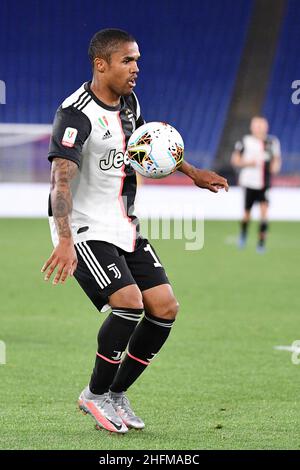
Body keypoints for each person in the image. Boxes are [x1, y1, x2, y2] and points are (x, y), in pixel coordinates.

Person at [41, 28, 228, 434]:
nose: (136, 68)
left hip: (123, 223)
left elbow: (149, 144)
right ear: (100, 64)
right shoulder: (75, 115)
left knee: (165, 307)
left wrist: (192, 172)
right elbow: (60, 181)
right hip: (84, 227)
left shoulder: (129, 103)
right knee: (128, 302)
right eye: (128, 60)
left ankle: (115, 394)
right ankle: (94, 394)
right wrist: (66, 241)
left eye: (137, 60)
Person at [231, 116, 281, 253]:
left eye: (261, 125)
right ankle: (243, 235)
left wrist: (275, 167)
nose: (259, 128)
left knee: (264, 213)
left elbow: (276, 159)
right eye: (257, 125)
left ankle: (261, 243)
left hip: (265, 183)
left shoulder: (272, 142)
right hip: (249, 182)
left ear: (266, 127)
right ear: (252, 127)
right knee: (247, 213)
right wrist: (248, 163)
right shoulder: (245, 141)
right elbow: (235, 160)